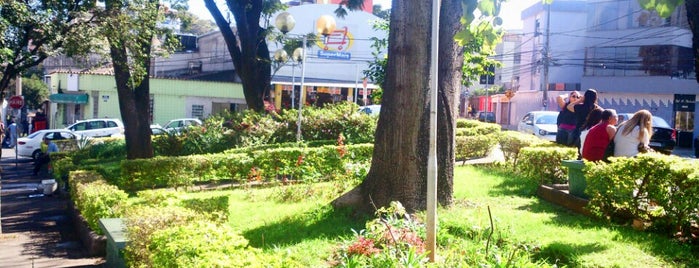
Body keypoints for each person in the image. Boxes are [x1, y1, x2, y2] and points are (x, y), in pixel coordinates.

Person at [567, 89, 601, 155]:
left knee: (576, 152)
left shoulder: (580, 107)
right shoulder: (597, 109)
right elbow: (603, 111)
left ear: (585, 96)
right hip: (592, 132)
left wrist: (580, 100)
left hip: (579, 131)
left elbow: (569, 106)